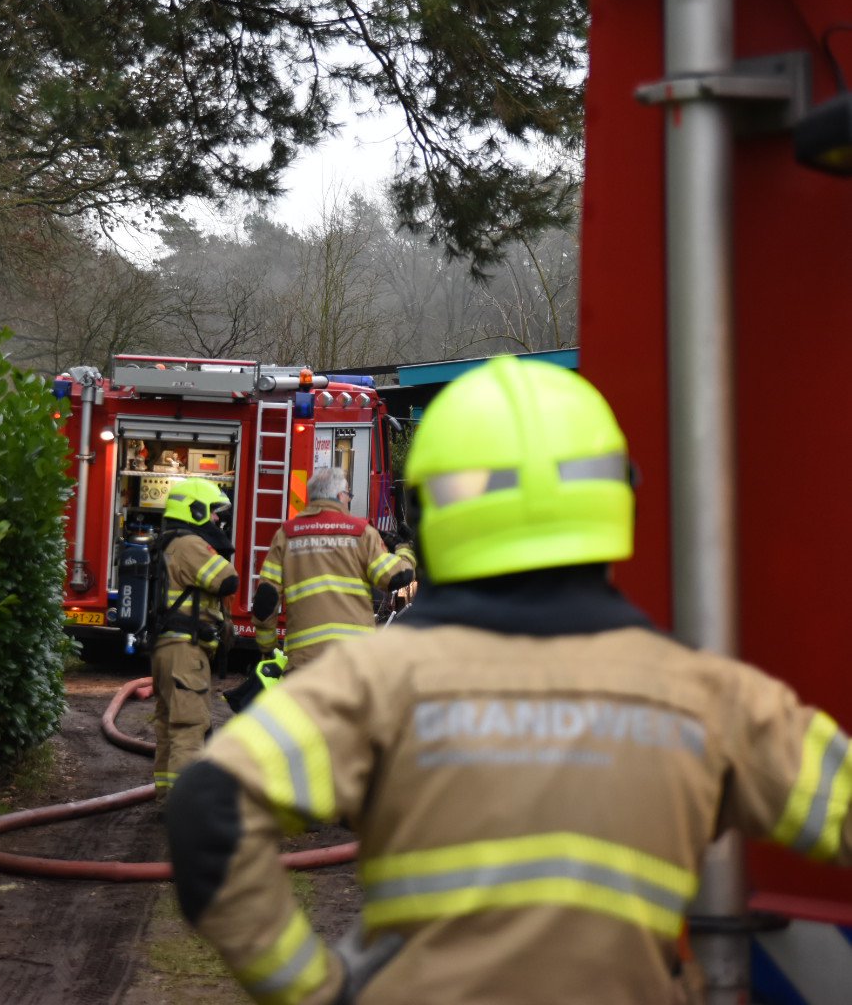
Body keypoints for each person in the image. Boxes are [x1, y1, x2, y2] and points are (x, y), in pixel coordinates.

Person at [166, 355, 852, 1005]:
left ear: (423, 513)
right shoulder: (707, 696)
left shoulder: (375, 684)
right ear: (620, 499)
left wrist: (318, 988)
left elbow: (211, 808)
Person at [249, 466, 415, 672]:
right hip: (354, 660)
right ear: (339, 495)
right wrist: (404, 550)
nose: (349, 500)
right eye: (348, 495)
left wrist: (268, 647)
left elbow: (266, 600)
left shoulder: (287, 534)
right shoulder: (362, 532)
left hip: (305, 661)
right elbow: (394, 576)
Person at [151, 476, 240, 797]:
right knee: (189, 728)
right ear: (196, 510)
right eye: (213, 512)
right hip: (185, 650)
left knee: (167, 726)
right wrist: (217, 542)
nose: (218, 519)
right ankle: (183, 807)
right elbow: (227, 580)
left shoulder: (167, 541)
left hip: (166, 647)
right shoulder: (190, 545)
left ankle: (165, 796)